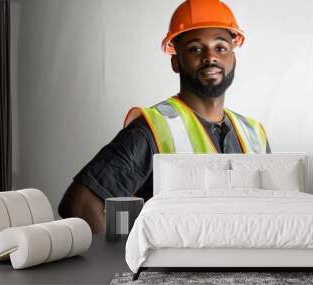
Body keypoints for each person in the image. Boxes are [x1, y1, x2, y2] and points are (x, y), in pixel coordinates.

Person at [58, 0, 271, 233]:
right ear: (176, 62)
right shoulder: (152, 129)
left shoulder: (253, 133)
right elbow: (79, 204)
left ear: (234, 59)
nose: (210, 57)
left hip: (246, 265)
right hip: (178, 268)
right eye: (195, 49)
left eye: (220, 47)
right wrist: (124, 263)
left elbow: (275, 210)